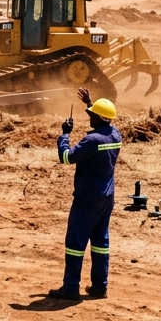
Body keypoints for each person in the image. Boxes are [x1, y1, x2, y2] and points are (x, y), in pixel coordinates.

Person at [47, 89, 121, 302]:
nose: (90, 117)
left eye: (92, 115)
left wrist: (65, 134)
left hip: (87, 199)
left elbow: (66, 158)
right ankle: (100, 287)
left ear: (98, 118)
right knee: (100, 241)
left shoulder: (92, 141)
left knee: (75, 243)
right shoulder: (115, 134)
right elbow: (101, 119)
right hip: (106, 198)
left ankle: (70, 288)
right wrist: (90, 104)